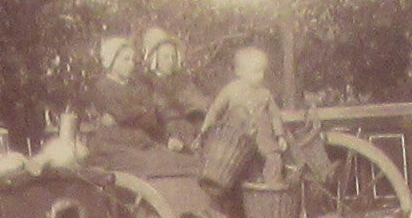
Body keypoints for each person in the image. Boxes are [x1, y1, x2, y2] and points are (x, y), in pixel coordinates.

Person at [87, 35, 196, 176]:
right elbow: (121, 114)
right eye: (125, 60)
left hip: (142, 143)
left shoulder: (137, 86)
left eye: (133, 60)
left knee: (185, 161)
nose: (131, 64)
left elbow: (150, 118)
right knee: (159, 164)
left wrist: (167, 139)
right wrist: (141, 111)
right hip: (114, 147)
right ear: (111, 61)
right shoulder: (102, 86)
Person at [198, 47, 288, 185]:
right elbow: (215, 110)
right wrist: (205, 129)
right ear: (239, 72)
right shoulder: (231, 90)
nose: (261, 75)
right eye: (256, 71)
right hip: (239, 141)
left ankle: (271, 187)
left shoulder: (265, 93)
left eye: (262, 71)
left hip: (263, 139)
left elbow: (275, 116)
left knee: (274, 159)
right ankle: (251, 187)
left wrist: (280, 135)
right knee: (243, 166)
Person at [142, 27, 209, 148]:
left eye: (173, 57)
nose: (170, 61)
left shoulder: (182, 80)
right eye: (166, 57)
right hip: (165, 130)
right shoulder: (147, 82)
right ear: (155, 59)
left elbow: (197, 103)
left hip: (189, 126)